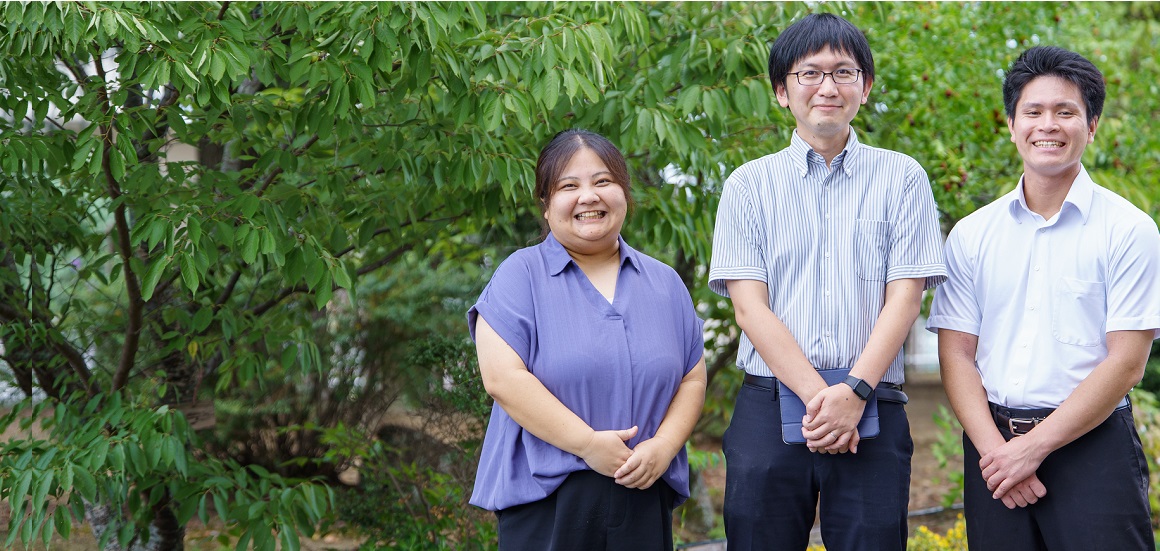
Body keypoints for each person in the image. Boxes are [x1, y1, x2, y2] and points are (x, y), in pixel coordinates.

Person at [708, 12, 947, 551]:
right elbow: (750, 309)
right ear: (780, 91)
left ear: (865, 87)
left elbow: (905, 297)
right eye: (808, 73)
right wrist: (824, 400)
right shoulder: (748, 186)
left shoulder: (902, 178)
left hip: (875, 406)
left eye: (843, 72)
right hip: (768, 410)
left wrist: (855, 392)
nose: (827, 87)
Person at [927, 45, 1160, 550]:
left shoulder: (1129, 230)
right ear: (1012, 125)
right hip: (994, 450)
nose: (1047, 125)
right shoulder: (971, 234)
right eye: (1032, 112)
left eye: (1066, 112)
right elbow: (956, 353)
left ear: (1091, 125)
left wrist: (1032, 448)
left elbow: (1126, 364)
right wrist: (1001, 453)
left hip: (1092, 448)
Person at [467, 129, 707, 551]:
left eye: (603, 181)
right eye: (569, 186)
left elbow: (692, 378)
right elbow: (502, 378)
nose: (588, 197)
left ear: (624, 193)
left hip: (643, 493)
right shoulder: (520, 275)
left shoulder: (664, 283)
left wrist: (665, 446)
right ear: (546, 205)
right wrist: (587, 445)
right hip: (548, 500)